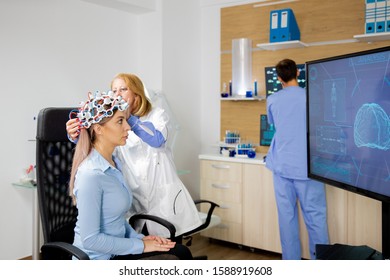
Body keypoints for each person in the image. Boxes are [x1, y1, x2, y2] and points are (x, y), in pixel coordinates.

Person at [66, 73, 202, 237]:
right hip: (135, 200)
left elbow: (157, 140)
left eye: (123, 89)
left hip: (165, 200)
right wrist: (77, 138)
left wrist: (127, 119)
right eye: (114, 90)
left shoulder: (157, 115)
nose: (117, 94)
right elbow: (101, 147)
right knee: (145, 247)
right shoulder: (114, 127)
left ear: (136, 94)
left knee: (170, 248)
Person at [265, 59, 329, 260]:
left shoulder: (273, 99)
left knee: (286, 219)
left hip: (282, 166)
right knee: (316, 219)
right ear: (297, 74)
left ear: (278, 78)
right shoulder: (311, 97)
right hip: (308, 167)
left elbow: (274, 123)